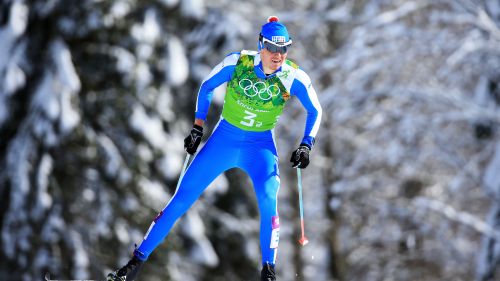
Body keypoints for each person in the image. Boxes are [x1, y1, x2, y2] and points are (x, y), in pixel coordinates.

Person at [107, 16, 322, 281]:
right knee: (182, 197)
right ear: (260, 46)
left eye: (284, 49)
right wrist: (198, 126)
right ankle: (134, 264)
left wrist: (306, 145)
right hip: (224, 140)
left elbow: (315, 110)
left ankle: (268, 271)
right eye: (272, 48)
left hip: (260, 146)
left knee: (269, 199)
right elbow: (207, 86)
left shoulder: (292, 76)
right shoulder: (239, 62)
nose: (278, 55)